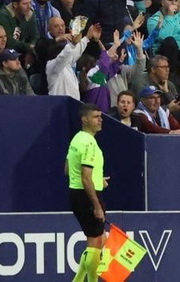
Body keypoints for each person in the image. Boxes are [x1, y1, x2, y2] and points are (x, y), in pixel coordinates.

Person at [67, 102, 108, 282]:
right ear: (84, 120)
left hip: (76, 193)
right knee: (95, 242)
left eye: (100, 116)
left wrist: (98, 180)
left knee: (100, 239)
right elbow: (85, 176)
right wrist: (97, 205)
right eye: (95, 117)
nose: (100, 120)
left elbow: (68, 169)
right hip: (87, 195)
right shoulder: (89, 143)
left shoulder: (76, 139)